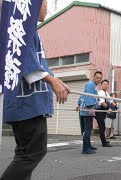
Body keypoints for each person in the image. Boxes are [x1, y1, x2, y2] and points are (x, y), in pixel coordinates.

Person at [1, 0, 70, 179]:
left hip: (26, 102)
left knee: (25, 154)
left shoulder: (22, 23)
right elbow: (23, 61)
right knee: (31, 153)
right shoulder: (19, 22)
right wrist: (52, 81)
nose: (47, 8)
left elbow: (36, 63)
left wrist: (56, 80)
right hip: (26, 102)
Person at [77, 71, 102, 154]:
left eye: (100, 78)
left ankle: (88, 145)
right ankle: (85, 148)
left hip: (86, 108)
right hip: (88, 109)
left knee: (89, 128)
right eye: (97, 77)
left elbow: (82, 94)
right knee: (87, 129)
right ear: (94, 77)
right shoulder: (90, 84)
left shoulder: (92, 85)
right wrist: (90, 107)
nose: (99, 79)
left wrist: (79, 104)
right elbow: (87, 95)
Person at [95, 79, 113, 147]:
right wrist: (108, 109)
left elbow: (111, 101)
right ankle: (104, 143)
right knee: (102, 127)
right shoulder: (101, 92)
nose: (105, 85)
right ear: (101, 85)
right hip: (98, 110)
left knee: (103, 127)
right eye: (104, 84)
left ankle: (104, 140)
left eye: (107, 84)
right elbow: (102, 103)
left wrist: (117, 108)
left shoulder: (106, 93)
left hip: (102, 111)